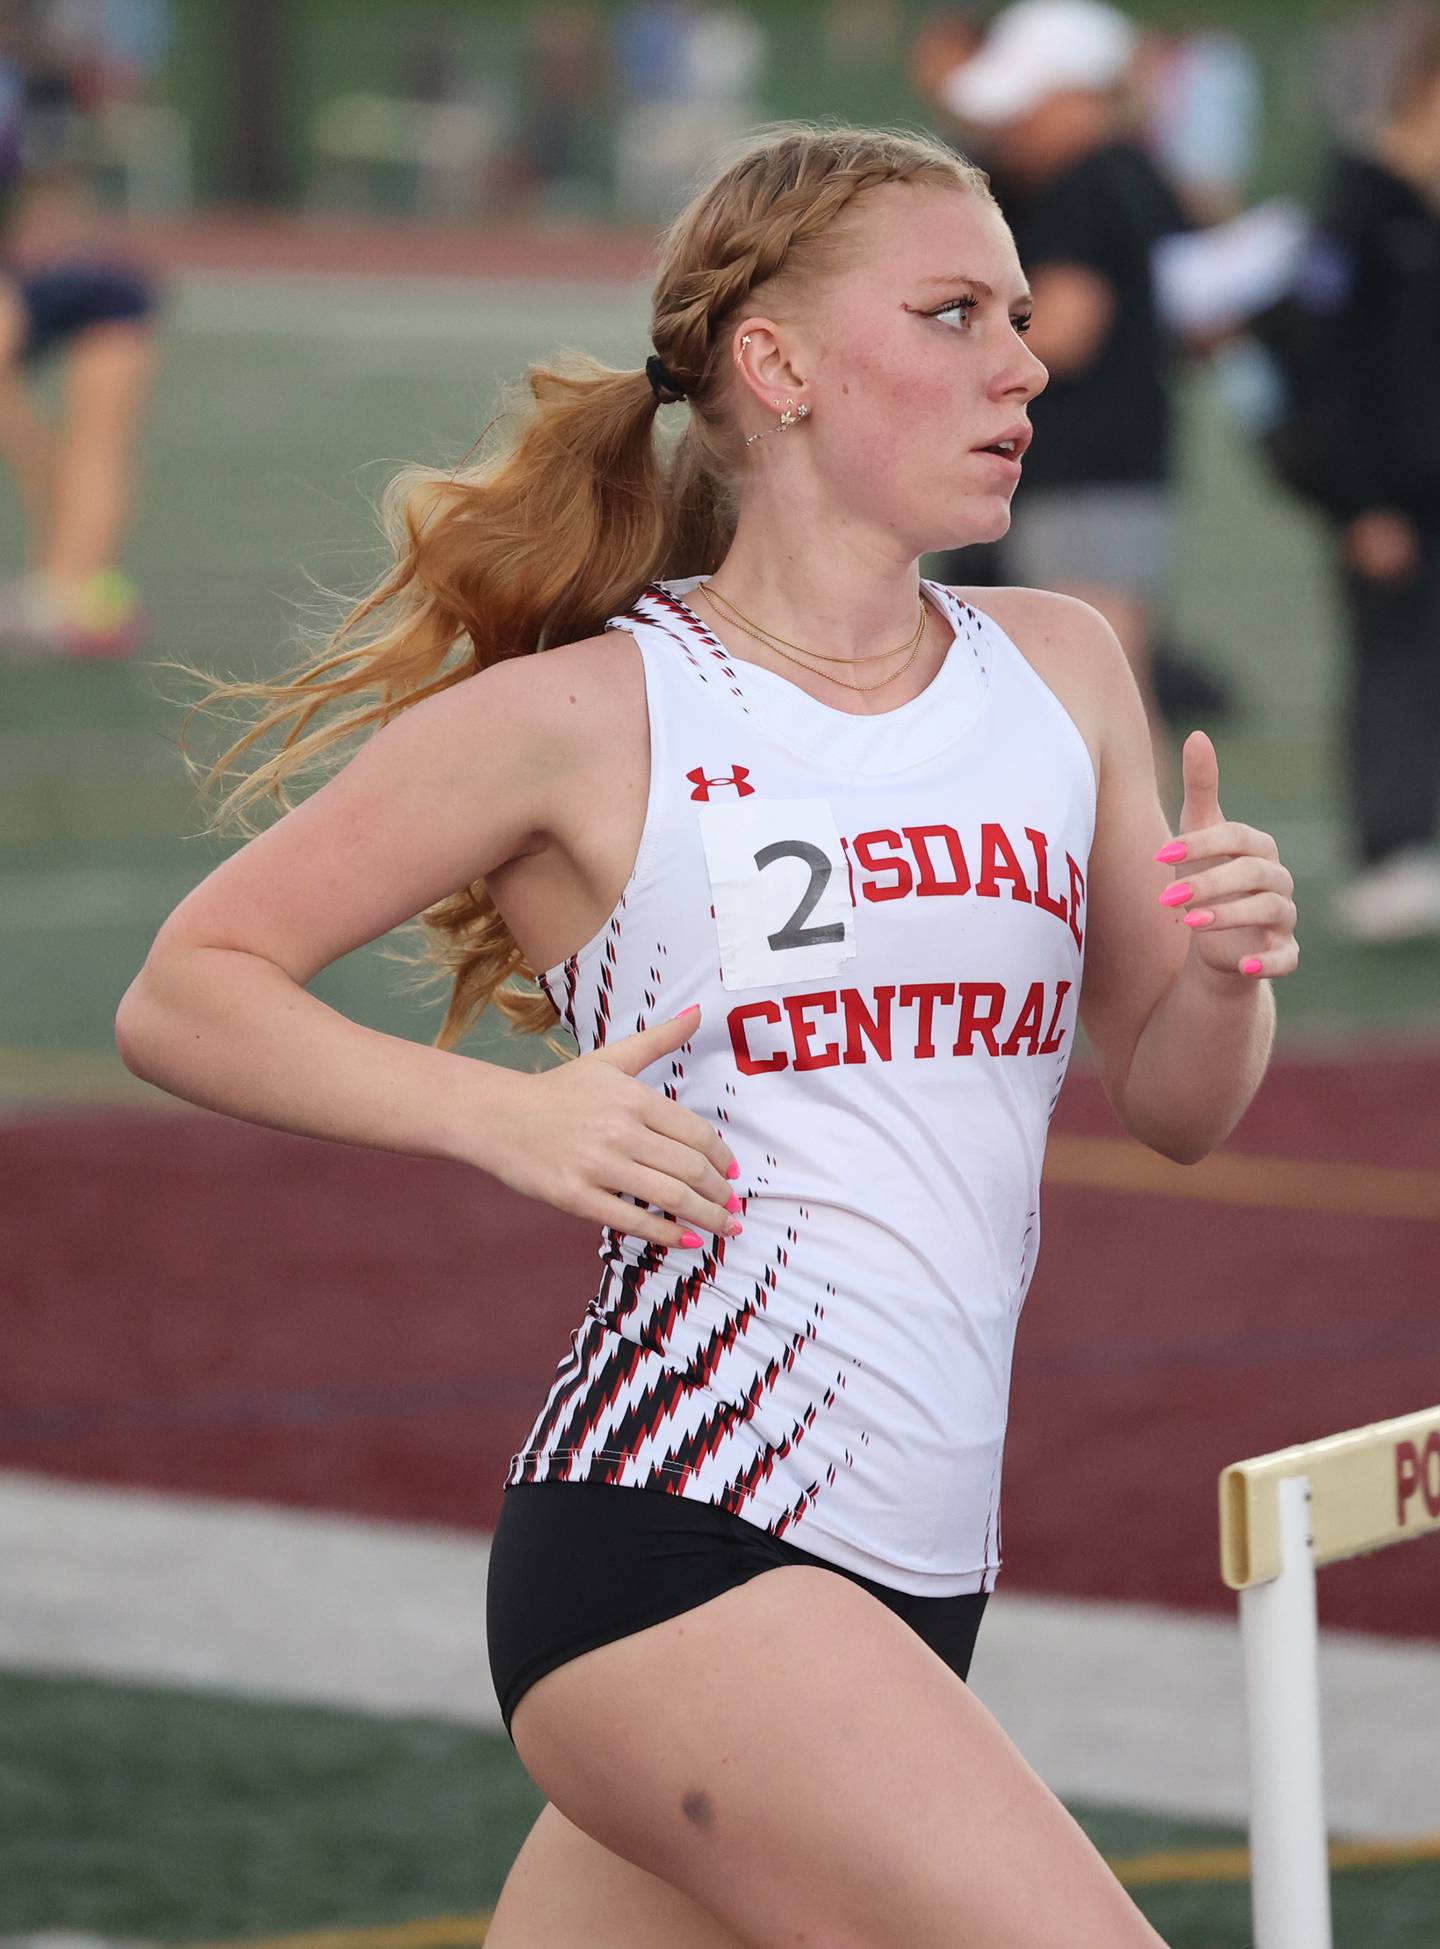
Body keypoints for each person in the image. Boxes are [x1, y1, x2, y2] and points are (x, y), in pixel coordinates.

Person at [116, 122, 1299, 1948]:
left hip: (918, 1575)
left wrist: (1225, 975)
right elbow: (188, 984)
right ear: (780, 363)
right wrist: (494, 1116)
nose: (1024, 355)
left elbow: (1179, 1106)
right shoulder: (587, 712)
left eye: (1012, 309)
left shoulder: (1059, 661)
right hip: (681, 1539)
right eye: (953, 310)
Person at [939, 0, 1193, 793]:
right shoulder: (1133, 175)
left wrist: (940, 337)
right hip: (1106, 466)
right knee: (1086, 681)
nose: (1013, 127)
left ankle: (1153, 886)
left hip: (1091, 469)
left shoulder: (1090, 182)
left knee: (1100, 682)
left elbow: (1067, 326)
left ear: (1075, 95)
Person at [1249, 9, 1440, 943]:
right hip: (1387, 498)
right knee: (1397, 663)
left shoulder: (1420, 206)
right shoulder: (1359, 202)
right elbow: (1318, 362)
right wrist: (1359, 499)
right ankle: (1388, 850)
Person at [0, 5, 158, 660]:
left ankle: (74, 581)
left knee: (103, 420)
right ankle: (69, 571)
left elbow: (53, 191)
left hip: (78, 281)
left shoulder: (39, 75)